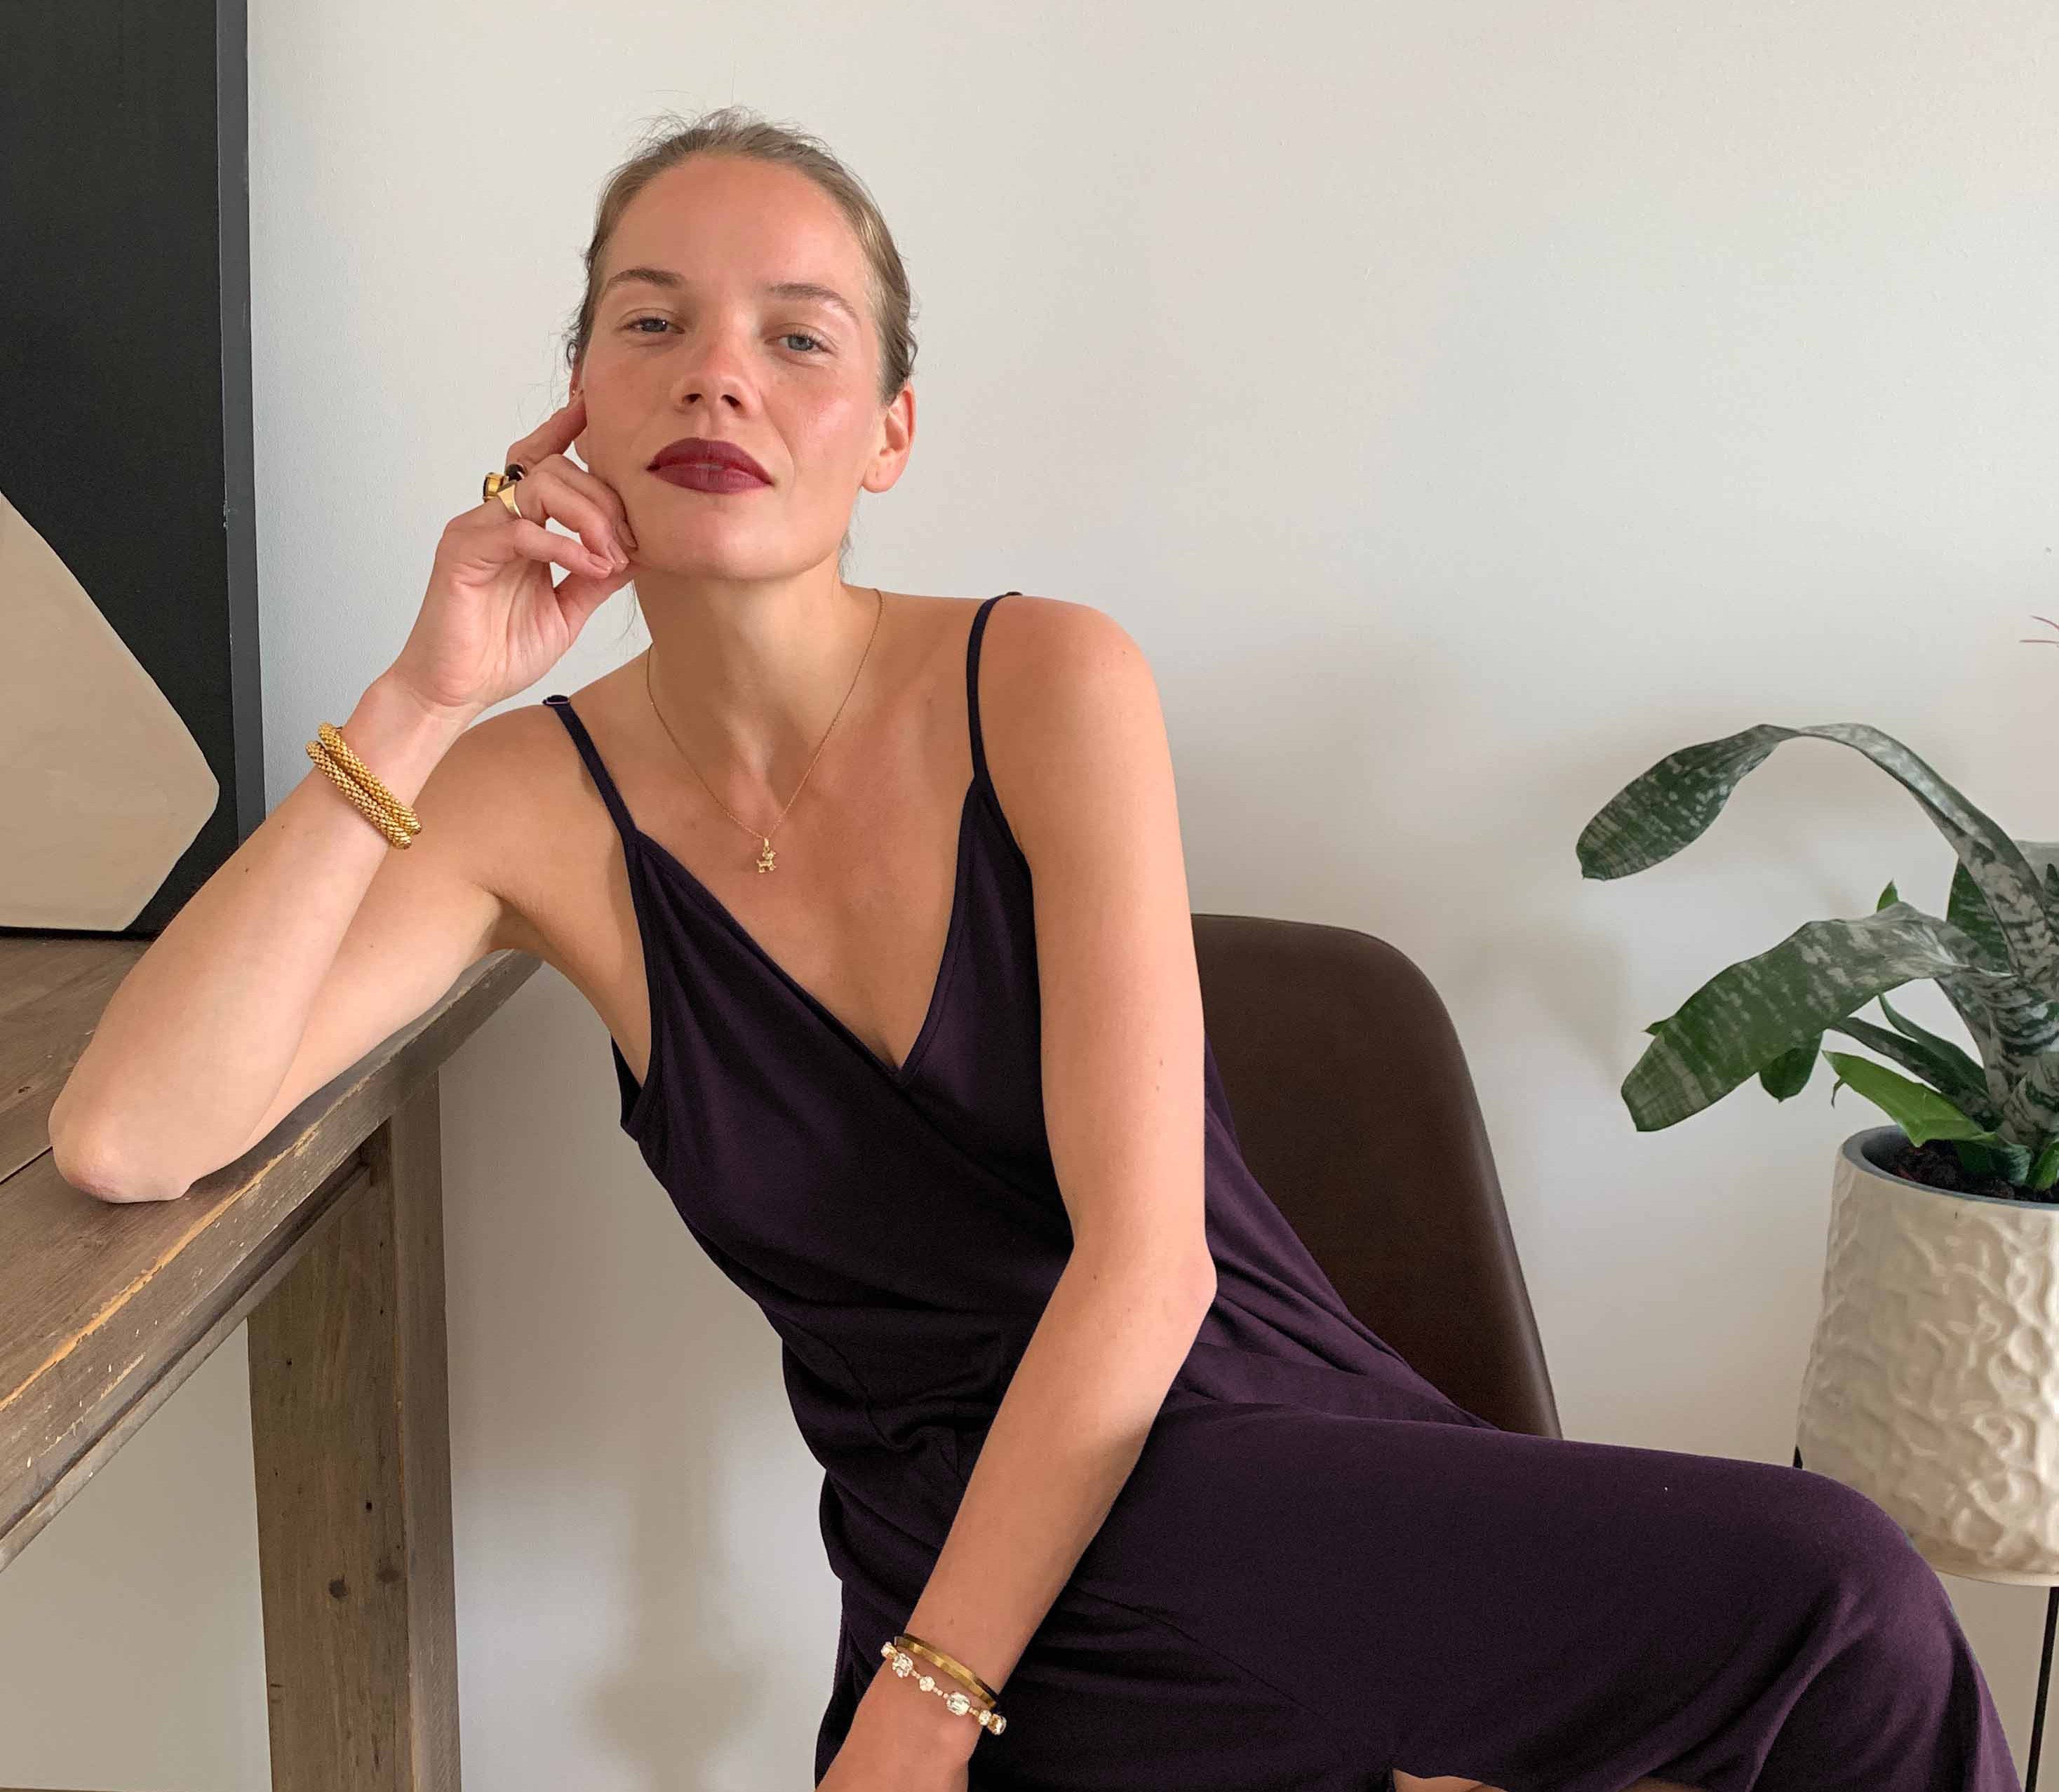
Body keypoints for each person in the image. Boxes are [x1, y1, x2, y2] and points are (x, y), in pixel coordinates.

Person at [51, 107, 2023, 1792]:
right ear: (567, 409)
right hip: (955, 1532)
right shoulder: (518, 796)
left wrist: (927, 1699)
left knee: (1845, 1609)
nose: (715, 374)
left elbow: (1149, 1264)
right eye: (649, 324)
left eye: (795, 338)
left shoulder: (1042, 676)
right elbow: (136, 1133)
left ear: (889, 431)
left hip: (1218, 1451)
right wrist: (415, 690)